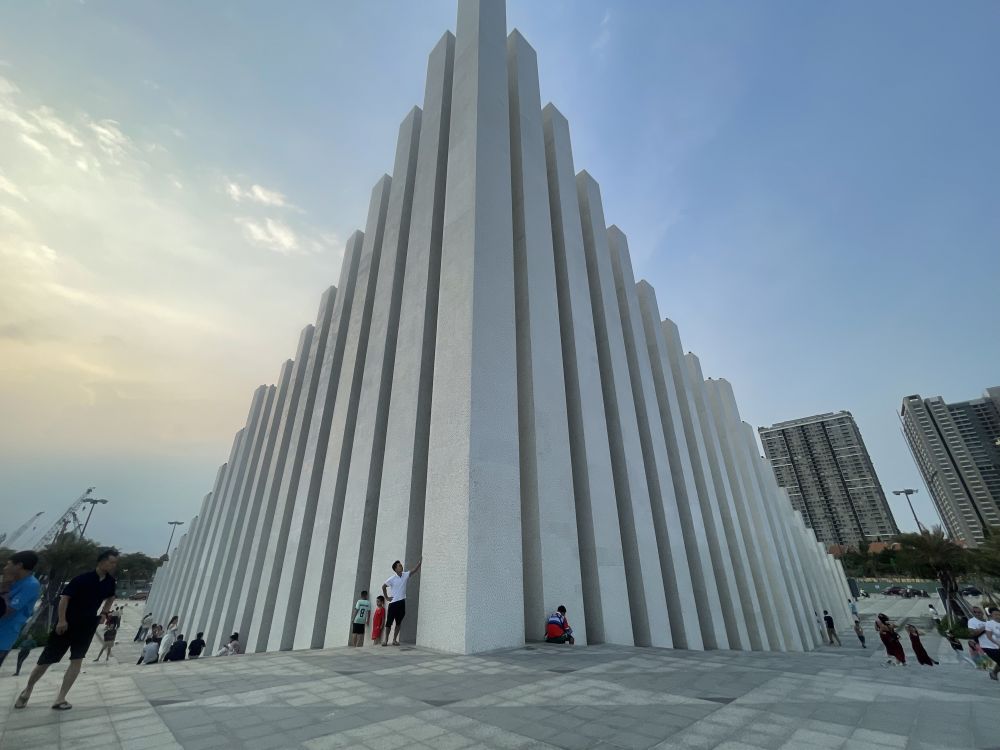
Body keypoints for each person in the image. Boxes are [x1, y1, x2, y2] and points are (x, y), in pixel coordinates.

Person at [15, 547, 118, 711]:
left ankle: (61, 697)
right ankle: (28, 690)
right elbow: (64, 599)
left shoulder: (110, 582)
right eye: (111, 562)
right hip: (68, 623)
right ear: (101, 561)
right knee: (46, 660)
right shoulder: (82, 579)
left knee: (77, 660)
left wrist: (105, 613)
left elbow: (111, 597)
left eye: (115, 563)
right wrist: (62, 620)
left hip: (87, 625)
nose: (113, 565)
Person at [0, 550, 42, 671]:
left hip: (3, 636)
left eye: (9, 564)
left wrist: (5, 584)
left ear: (19, 565)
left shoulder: (31, 585)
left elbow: (6, 610)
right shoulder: (13, 581)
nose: (6, 567)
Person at [381, 559, 422, 647]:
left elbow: (414, 570)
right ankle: (386, 640)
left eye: (401, 565)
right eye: (399, 566)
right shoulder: (392, 579)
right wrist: (387, 597)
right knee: (389, 623)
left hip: (402, 602)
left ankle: (395, 640)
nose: (401, 566)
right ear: (395, 569)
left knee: (398, 623)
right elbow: (383, 586)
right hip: (393, 603)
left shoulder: (405, 575)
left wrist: (419, 563)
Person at [967, 606, 1000, 681]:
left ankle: (994, 672)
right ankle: (993, 672)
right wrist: (985, 627)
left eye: (979, 612)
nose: (977, 613)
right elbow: (972, 633)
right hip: (986, 646)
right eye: (975, 612)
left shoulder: (988, 621)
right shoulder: (972, 621)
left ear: (982, 612)